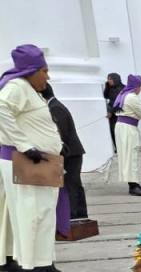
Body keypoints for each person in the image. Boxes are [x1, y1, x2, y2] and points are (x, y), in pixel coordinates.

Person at [0, 44, 77, 272]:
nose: (48, 76)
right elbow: (1, 110)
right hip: (26, 162)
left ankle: (46, 265)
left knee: (46, 215)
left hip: (43, 162)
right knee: (32, 216)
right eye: (44, 70)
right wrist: (24, 145)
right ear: (32, 70)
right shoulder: (16, 87)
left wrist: (57, 146)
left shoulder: (31, 89)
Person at [41, 83, 88, 220]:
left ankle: (73, 215)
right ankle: (79, 213)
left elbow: (61, 134)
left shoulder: (55, 108)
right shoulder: (54, 105)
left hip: (71, 153)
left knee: (71, 184)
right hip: (71, 152)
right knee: (73, 183)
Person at [113, 74, 141, 197]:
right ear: (137, 86)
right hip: (128, 129)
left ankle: (134, 182)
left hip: (122, 127)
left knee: (129, 155)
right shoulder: (132, 97)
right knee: (131, 155)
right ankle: (133, 186)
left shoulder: (123, 94)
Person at [103, 73, 124, 151]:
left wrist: (111, 111)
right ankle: (118, 148)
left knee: (120, 132)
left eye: (111, 79)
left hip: (120, 113)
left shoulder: (123, 88)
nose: (109, 81)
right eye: (108, 79)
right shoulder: (110, 88)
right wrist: (107, 86)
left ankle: (123, 148)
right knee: (113, 131)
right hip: (112, 114)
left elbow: (120, 102)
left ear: (116, 79)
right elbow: (105, 96)